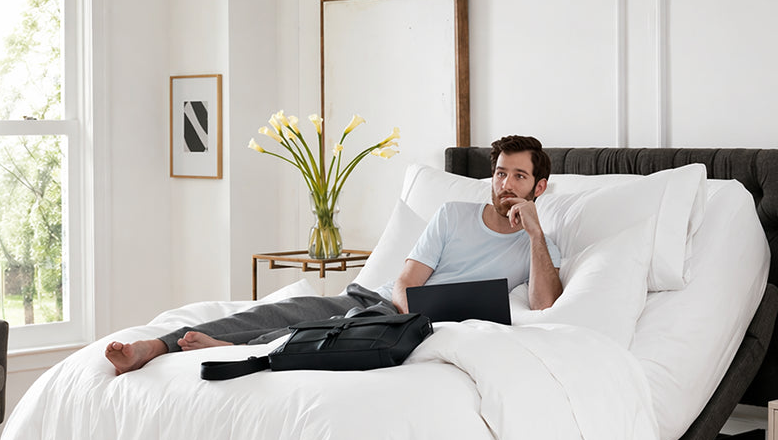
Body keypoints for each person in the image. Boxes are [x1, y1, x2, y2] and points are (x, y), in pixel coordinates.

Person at [106, 135, 562, 374]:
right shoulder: (453, 215)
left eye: (519, 177)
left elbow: (544, 304)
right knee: (290, 312)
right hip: (381, 304)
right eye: (501, 173)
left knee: (316, 333)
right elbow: (406, 281)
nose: (506, 185)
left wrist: (536, 234)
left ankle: (242, 349)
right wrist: (400, 315)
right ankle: (158, 345)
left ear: (538, 187)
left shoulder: (539, 242)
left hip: (423, 328)